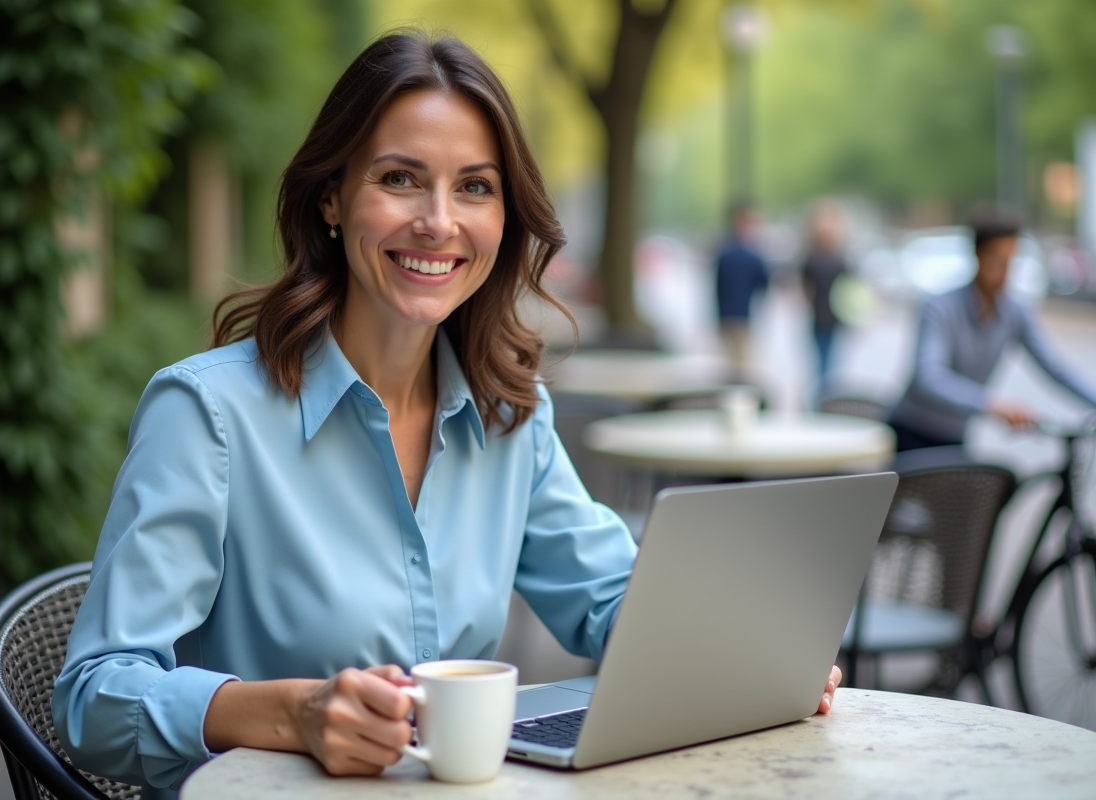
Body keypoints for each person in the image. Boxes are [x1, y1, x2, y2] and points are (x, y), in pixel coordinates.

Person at [52, 31, 842, 798]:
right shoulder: (209, 414)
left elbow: (608, 598)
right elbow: (94, 695)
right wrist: (296, 713)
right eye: (399, 179)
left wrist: (750, 654)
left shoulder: (511, 416)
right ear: (331, 196)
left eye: (474, 186)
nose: (439, 221)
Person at [888, 210, 1096, 452]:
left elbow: (1054, 366)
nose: (1003, 272)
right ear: (976, 255)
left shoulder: (1015, 312)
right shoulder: (938, 307)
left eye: (1010, 261)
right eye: (994, 260)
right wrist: (991, 404)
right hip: (912, 430)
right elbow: (929, 377)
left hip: (956, 434)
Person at [714, 201, 769, 373]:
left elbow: (717, 288)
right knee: (745, 367)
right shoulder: (753, 255)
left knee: (729, 365)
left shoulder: (724, 253)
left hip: (725, 316)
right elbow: (763, 284)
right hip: (744, 316)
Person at [800, 202, 848, 392]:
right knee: (823, 363)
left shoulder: (837, 257)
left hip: (832, 317)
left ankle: (825, 397)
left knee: (829, 363)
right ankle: (823, 397)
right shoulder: (814, 258)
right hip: (821, 317)